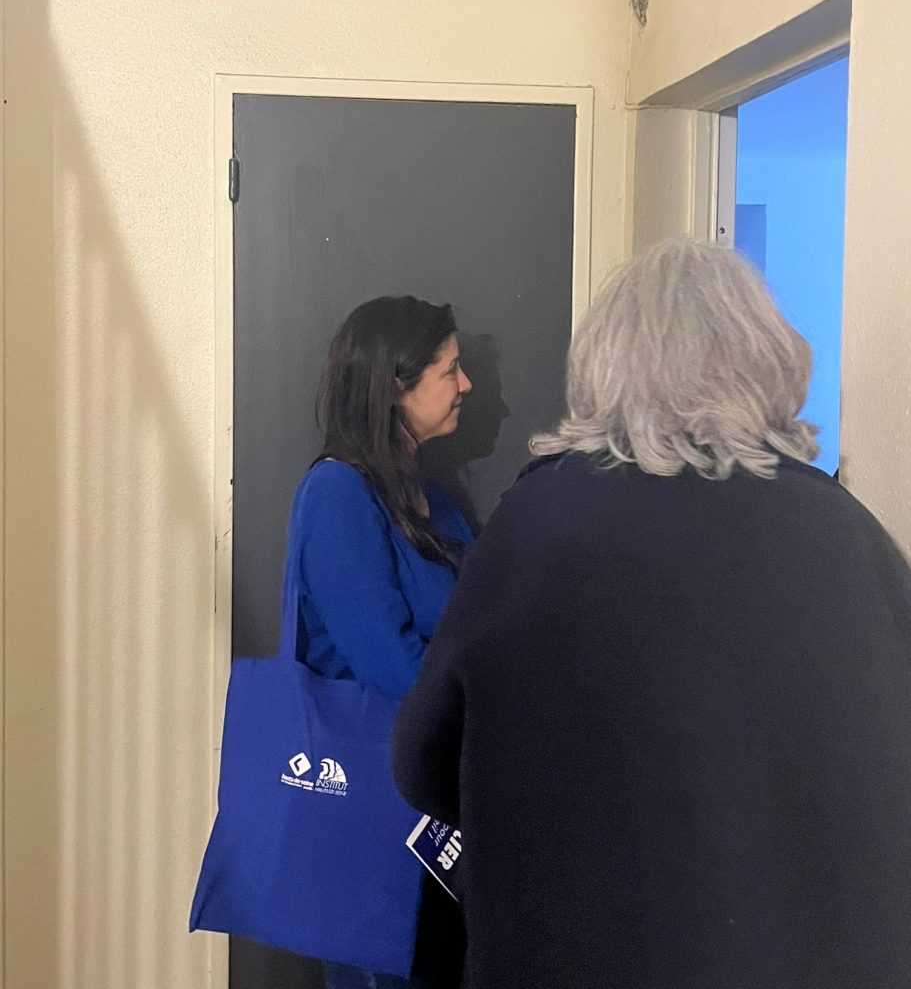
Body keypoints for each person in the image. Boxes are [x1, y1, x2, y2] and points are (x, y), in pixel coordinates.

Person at [392, 237, 911, 989]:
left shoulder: (534, 525)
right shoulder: (846, 534)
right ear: (769, 362)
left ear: (604, 368)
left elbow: (422, 764)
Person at [282, 295, 474, 989]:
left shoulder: (434, 499)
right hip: (369, 808)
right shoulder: (338, 492)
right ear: (396, 386)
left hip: (432, 801)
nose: (466, 385)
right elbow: (388, 662)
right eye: (449, 370)